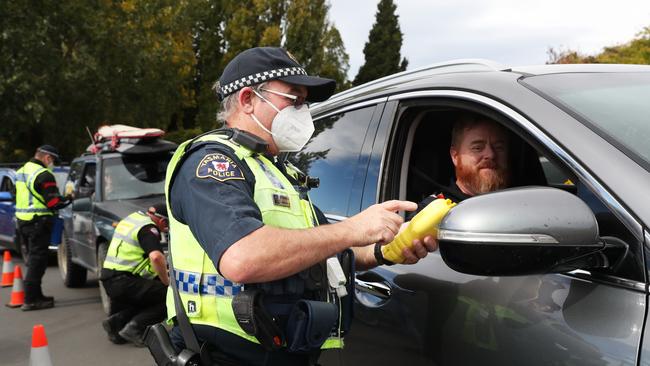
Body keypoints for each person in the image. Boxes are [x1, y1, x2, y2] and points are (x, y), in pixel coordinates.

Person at [165, 47, 436, 366]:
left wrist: (384, 251)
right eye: (294, 99)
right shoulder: (212, 164)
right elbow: (242, 258)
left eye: (305, 102)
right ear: (248, 99)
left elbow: (323, 249)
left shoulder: (278, 172)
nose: (303, 111)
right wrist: (352, 229)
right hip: (227, 354)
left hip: (285, 349)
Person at [411, 114, 510, 217]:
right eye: (477, 148)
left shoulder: (520, 204)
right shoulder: (432, 213)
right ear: (455, 156)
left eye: (499, 147)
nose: (491, 154)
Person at [100, 203, 170, 346]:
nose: (167, 229)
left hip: (110, 278)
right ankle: (135, 328)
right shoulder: (149, 229)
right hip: (123, 281)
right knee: (168, 295)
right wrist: (166, 280)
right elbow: (156, 257)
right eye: (168, 225)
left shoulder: (133, 218)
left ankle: (116, 322)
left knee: (149, 295)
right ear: (163, 221)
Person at [15, 145, 72, 311]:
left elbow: (17, 196)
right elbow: (54, 202)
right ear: (47, 158)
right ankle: (31, 300)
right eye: (53, 160)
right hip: (38, 223)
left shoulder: (22, 171)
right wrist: (69, 197)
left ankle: (36, 296)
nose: (52, 164)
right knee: (37, 262)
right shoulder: (44, 175)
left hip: (23, 221)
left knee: (33, 260)